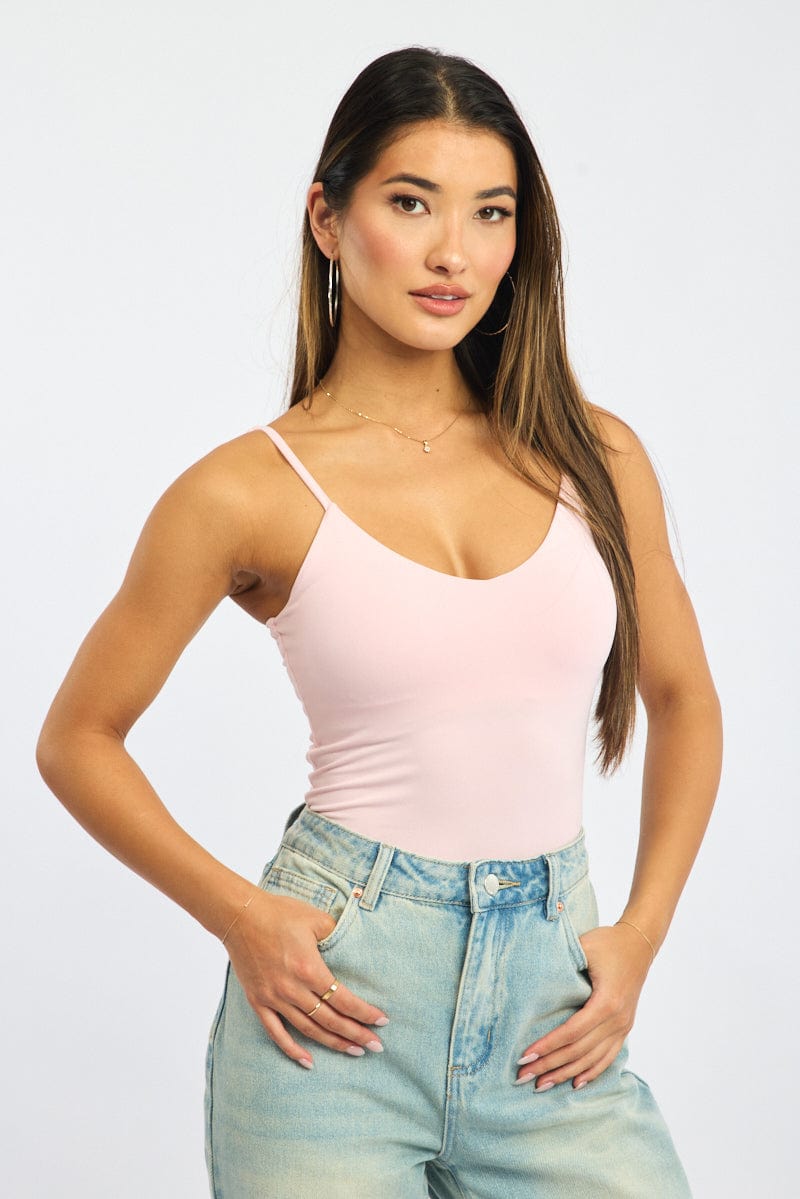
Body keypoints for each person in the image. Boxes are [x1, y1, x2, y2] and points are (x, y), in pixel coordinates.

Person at [36, 46, 722, 1199]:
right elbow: (77, 737)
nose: (454, 252)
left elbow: (684, 696)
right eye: (411, 203)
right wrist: (244, 917)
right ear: (327, 217)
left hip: (550, 1009)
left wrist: (641, 932)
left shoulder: (592, 453)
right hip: (334, 1007)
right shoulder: (244, 490)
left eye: (490, 212)